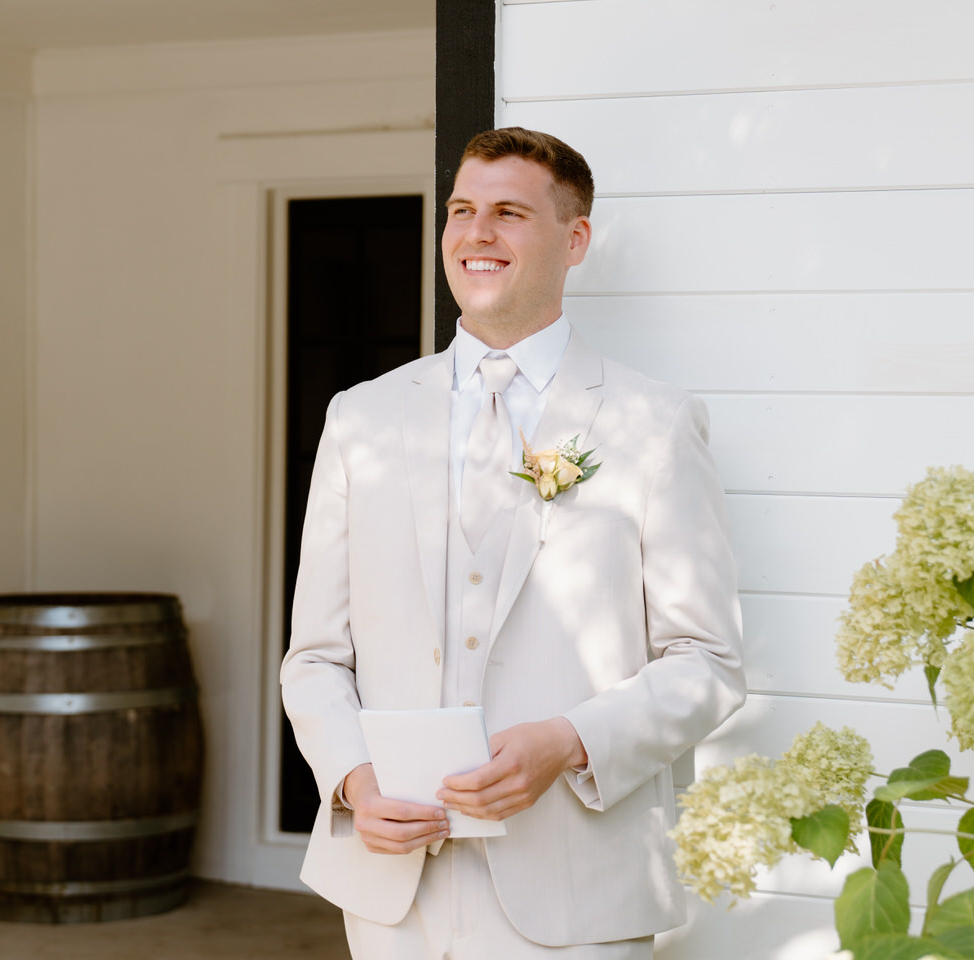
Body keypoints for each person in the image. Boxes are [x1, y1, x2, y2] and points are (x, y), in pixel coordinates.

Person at [280, 127, 745, 959]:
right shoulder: (362, 419)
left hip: (577, 892)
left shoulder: (653, 424)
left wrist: (569, 742)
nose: (476, 233)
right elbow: (314, 657)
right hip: (394, 894)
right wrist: (353, 782)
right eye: (462, 210)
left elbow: (706, 661)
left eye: (508, 212)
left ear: (575, 240)